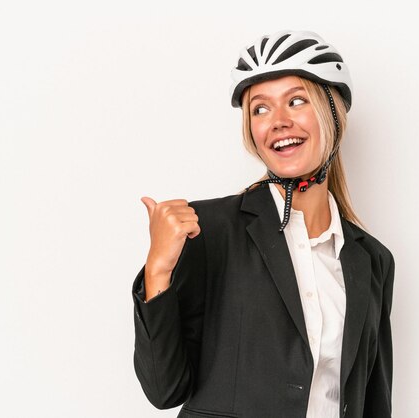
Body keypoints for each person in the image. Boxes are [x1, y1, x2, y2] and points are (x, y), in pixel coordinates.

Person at [131, 30, 395, 418]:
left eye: (297, 101)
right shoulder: (207, 230)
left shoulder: (372, 260)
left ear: (333, 115)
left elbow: (373, 401)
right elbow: (164, 389)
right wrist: (158, 270)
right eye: (261, 109)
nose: (278, 121)